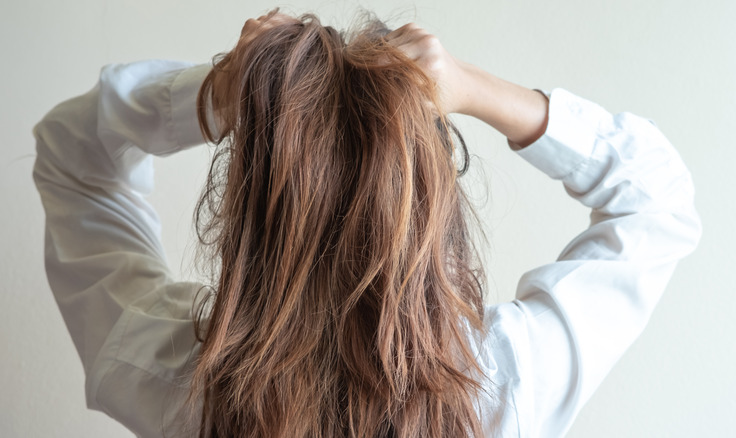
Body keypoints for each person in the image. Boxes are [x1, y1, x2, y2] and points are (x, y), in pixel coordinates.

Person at [32, 10, 701, 438]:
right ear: (430, 204)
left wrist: (224, 91)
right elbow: (656, 201)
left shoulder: (176, 377)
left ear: (250, 212)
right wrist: (471, 86)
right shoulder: (502, 387)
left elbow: (73, 155)